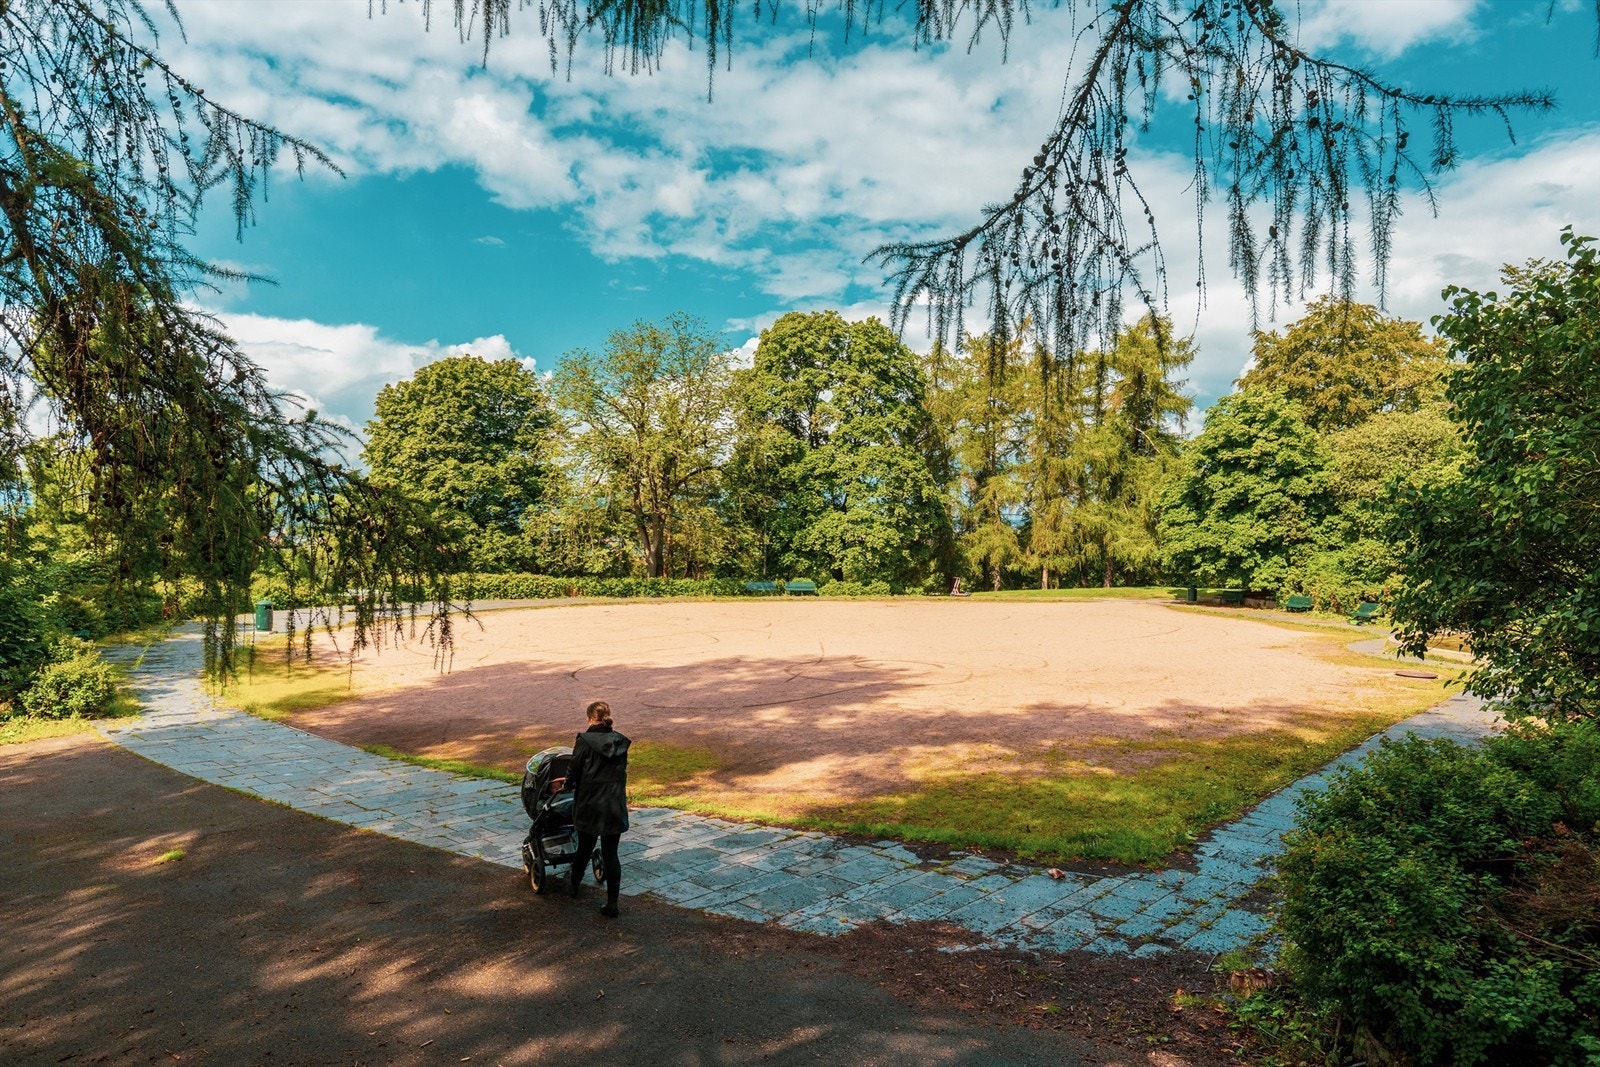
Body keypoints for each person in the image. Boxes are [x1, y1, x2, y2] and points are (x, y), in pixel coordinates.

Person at [565, 700, 630, 917]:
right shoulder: (620, 742)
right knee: (611, 853)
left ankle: (574, 885)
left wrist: (567, 785)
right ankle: (612, 904)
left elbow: (573, 771)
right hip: (613, 804)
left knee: (584, 848)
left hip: (590, 804)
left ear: (589, 718)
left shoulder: (584, 741)